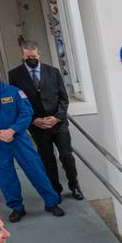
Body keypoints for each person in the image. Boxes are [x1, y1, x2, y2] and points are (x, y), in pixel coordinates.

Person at [0, 62, 65, 222]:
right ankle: (17, 207)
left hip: (18, 138)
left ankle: (51, 202)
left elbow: (26, 113)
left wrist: (12, 130)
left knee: (35, 169)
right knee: (4, 175)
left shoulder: (15, 92)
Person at [6, 40, 82, 201]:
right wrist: (33, 120)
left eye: (33, 56)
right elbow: (17, 103)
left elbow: (63, 98)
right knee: (47, 159)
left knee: (66, 156)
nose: (31, 59)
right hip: (37, 126)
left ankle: (74, 185)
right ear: (22, 56)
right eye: (27, 57)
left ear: (39, 54)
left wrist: (56, 118)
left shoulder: (53, 72)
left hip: (58, 124)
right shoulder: (14, 75)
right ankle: (55, 190)